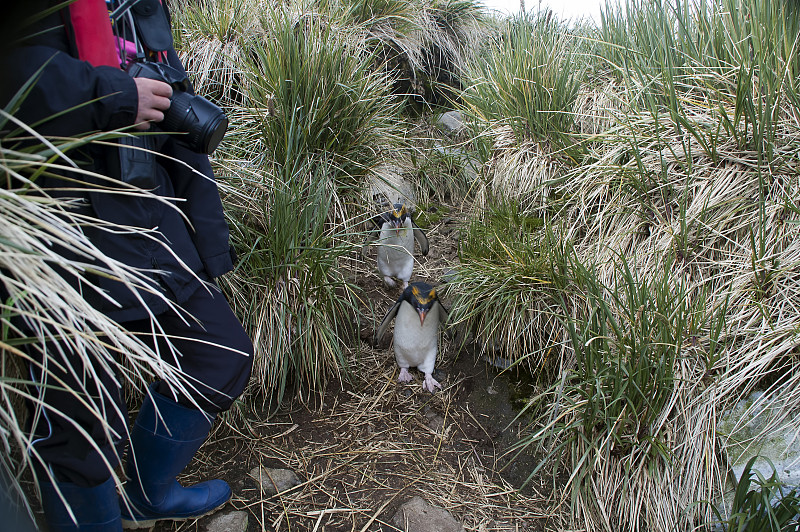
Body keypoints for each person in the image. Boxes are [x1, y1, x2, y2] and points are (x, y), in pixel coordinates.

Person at [0, 0, 254, 529]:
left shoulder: (141, 10)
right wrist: (112, 96)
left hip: (150, 224)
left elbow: (184, 140)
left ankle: (145, 493)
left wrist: (211, 246)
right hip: (58, 233)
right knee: (81, 423)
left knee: (220, 353)